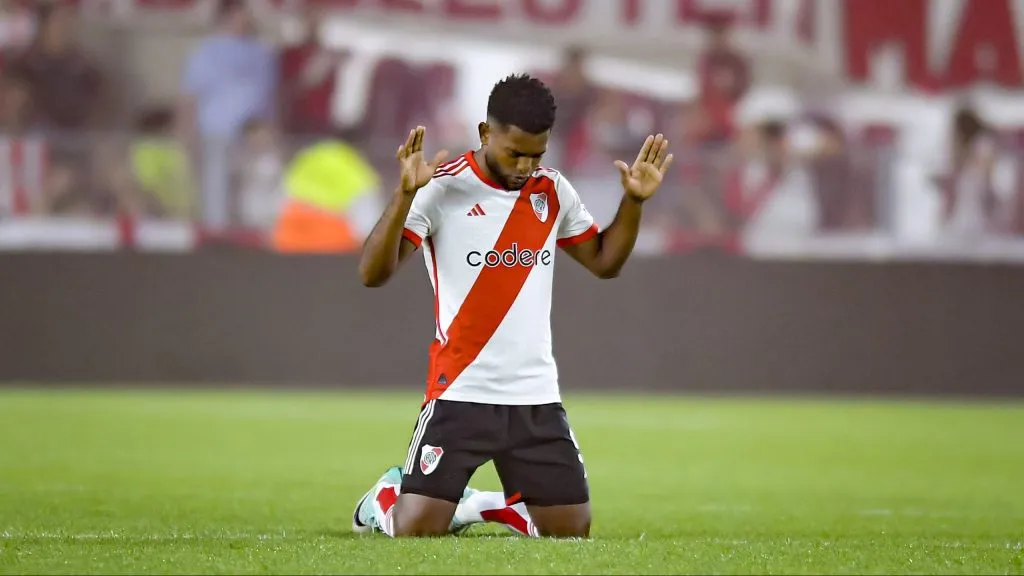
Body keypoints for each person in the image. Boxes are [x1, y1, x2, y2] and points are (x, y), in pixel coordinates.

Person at [354, 73, 673, 538]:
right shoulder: (442, 189)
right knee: (416, 530)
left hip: (534, 396)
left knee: (569, 533)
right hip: (460, 391)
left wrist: (634, 202)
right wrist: (404, 195)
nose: (526, 165)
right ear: (486, 134)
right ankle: (386, 495)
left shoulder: (553, 191)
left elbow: (605, 262)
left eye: (536, 154)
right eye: (514, 152)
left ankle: (482, 506)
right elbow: (372, 273)